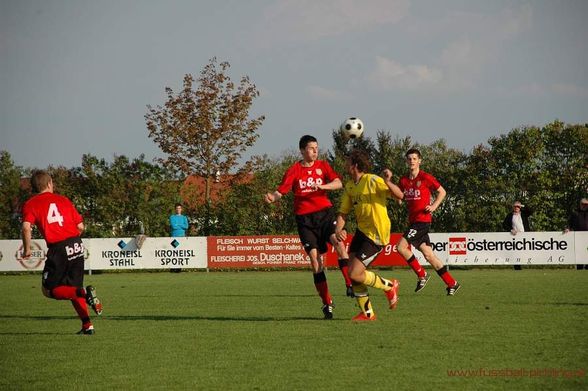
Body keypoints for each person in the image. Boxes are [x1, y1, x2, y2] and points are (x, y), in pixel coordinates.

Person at [264, 135, 353, 319]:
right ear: (302, 150)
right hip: (305, 220)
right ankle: (327, 303)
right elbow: (282, 190)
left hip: (325, 215)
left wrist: (324, 186)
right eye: (311, 148)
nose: (315, 151)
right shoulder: (294, 170)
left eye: (316, 148)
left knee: (339, 243)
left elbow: (339, 183)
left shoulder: (323, 166)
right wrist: (273, 197)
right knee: (315, 260)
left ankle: (349, 283)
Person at [21, 170, 102, 335]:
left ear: (34, 188)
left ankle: (84, 294)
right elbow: (80, 227)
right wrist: (71, 241)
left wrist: (28, 248)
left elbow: (25, 227)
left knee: (49, 289)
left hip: (58, 248)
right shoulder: (63, 199)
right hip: (76, 245)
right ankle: (87, 326)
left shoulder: (31, 204)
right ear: (50, 183)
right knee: (72, 287)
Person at [335, 149, 401, 321]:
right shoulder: (350, 186)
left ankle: (389, 286)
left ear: (355, 165)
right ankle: (368, 314)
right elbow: (343, 213)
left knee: (356, 273)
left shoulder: (372, 180)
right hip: (362, 231)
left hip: (377, 234)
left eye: (347, 161)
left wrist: (388, 181)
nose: (345, 164)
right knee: (352, 273)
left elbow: (399, 195)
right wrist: (338, 231)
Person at [396, 148, 461, 295]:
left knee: (400, 247)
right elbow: (399, 195)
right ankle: (452, 283)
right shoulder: (404, 180)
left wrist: (433, 206)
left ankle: (422, 274)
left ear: (420, 161)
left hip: (422, 221)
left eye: (414, 158)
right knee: (429, 255)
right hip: (413, 222)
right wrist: (398, 198)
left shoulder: (425, 177)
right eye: (409, 159)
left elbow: (442, 192)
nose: (412, 161)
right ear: (406, 161)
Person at [502, 200, 533, 270]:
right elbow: (504, 225)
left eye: (518, 207)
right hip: (515, 237)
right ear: (513, 207)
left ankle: (530, 264)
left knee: (526, 251)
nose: (516, 208)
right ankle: (517, 268)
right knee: (516, 252)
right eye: (515, 206)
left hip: (525, 236)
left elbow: (531, 211)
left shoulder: (524, 214)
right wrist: (511, 230)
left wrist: (522, 205)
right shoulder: (510, 215)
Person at [564, 198, 588, 270]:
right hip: (578, 236)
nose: (585, 206)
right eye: (583, 204)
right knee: (580, 253)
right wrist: (568, 228)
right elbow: (570, 223)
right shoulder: (575, 213)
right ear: (580, 204)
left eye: (586, 205)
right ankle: (579, 268)